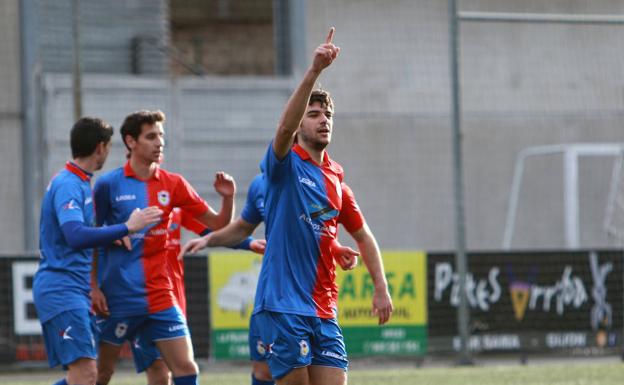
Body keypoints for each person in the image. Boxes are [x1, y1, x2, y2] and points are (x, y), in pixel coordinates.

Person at [249, 27, 392, 385]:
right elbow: (282, 130)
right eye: (313, 114)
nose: (323, 119)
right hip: (283, 306)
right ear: (300, 126)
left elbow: (364, 236)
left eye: (327, 114)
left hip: (324, 310)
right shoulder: (285, 166)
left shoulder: (336, 180)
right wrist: (314, 71)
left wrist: (381, 286)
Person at [180, 174, 372, 385]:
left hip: (319, 304)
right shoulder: (264, 183)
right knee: (264, 372)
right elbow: (239, 227)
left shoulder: (328, 183)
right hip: (277, 301)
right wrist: (223, 240)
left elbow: (315, 228)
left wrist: (334, 248)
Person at [92, 110, 235, 385]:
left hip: (160, 294)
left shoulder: (174, 183)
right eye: (151, 136)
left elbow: (218, 225)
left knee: (186, 369)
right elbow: (90, 238)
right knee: (99, 374)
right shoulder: (108, 185)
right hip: (117, 298)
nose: (159, 143)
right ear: (131, 142)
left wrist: (228, 199)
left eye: (161, 136)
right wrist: (93, 287)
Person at [33, 117, 163, 385]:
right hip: (62, 289)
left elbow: (76, 234)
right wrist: (127, 227)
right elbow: (75, 235)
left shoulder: (80, 181)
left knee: (83, 377)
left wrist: (109, 238)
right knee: (88, 375)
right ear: (101, 147)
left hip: (73, 290)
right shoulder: (69, 184)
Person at [93, 206, 265, 385]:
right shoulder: (118, 201)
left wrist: (248, 242)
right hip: (133, 300)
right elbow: (87, 234)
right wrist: (112, 232)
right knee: (103, 373)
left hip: (169, 302)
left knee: (179, 370)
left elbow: (213, 230)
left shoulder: (175, 204)